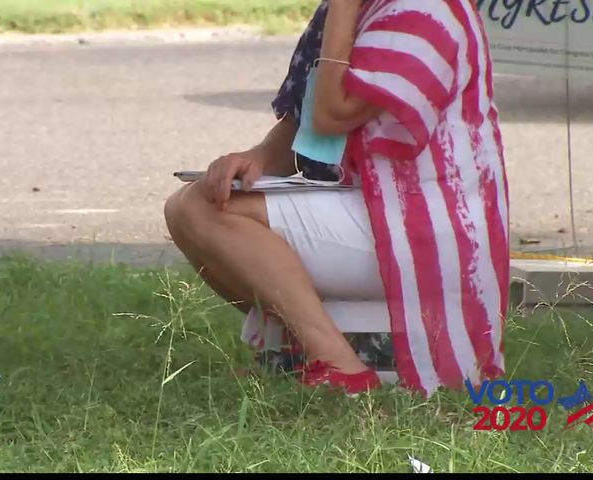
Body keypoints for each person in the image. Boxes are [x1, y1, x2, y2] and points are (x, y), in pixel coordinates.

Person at [164, 0, 509, 397]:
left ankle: (339, 365)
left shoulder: (426, 11)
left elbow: (334, 115)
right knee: (190, 205)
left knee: (206, 212)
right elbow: (310, 121)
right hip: (380, 207)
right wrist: (257, 158)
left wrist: (343, 9)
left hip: (425, 225)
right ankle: (302, 348)